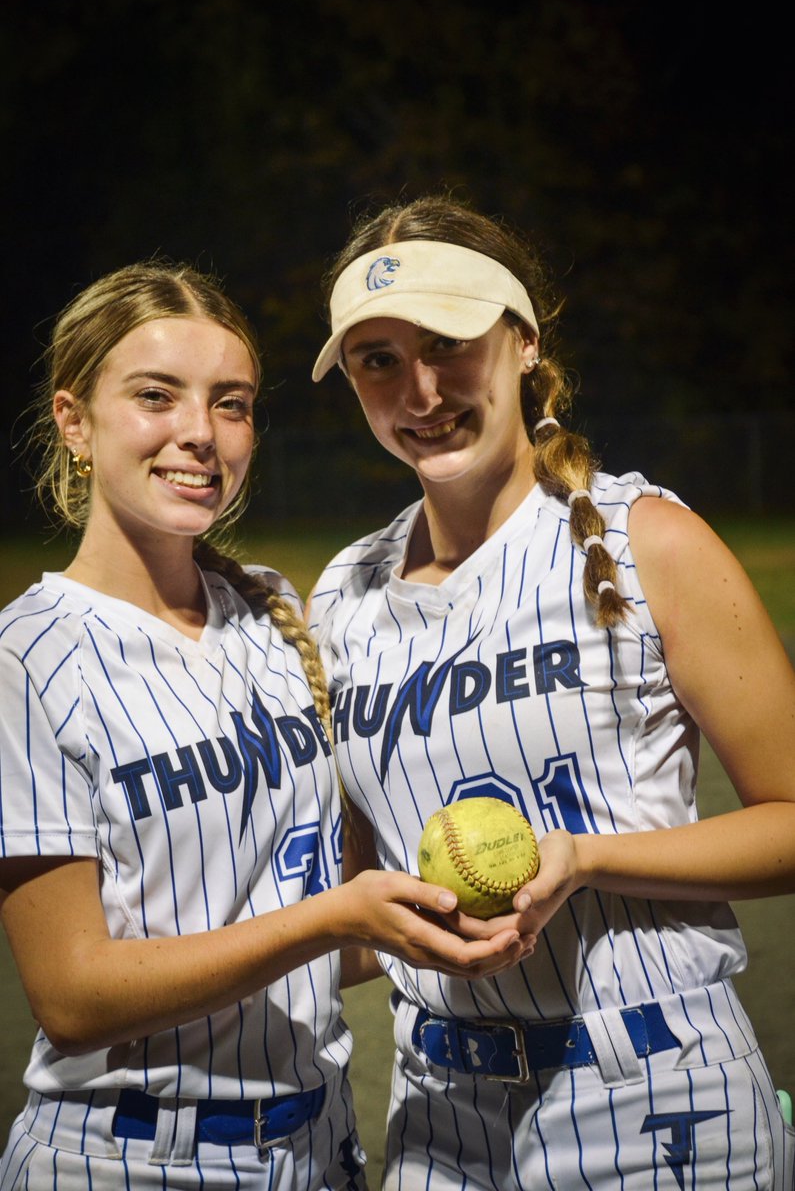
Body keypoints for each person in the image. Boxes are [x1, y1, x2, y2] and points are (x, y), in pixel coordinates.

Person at [0, 261, 531, 1191]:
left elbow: (298, 921)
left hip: (320, 1151)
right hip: (130, 1158)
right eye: (155, 397)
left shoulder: (273, 612)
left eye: (231, 403)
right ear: (74, 420)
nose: (198, 434)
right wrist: (332, 917)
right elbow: (74, 995)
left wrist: (437, 924)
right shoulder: (27, 657)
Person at [308, 195, 795, 1189]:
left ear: (523, 341)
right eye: (379, 359)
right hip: (438, 1118)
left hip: (658, 1095)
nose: (422, 388)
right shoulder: (343, 595)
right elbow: (355, 891)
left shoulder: (641, 538)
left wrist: (585, 859)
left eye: (449, 343)